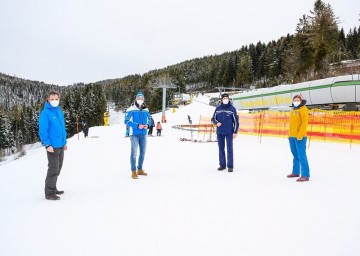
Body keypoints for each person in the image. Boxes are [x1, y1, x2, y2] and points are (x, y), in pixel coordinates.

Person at [38, 91, 67, 200]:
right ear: (48, 100)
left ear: (59, 99)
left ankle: (53, 188)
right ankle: (49, 193)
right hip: (52, 147)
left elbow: (62, 128)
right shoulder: (45, 113)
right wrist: (47, 144)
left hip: (60, 145)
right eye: (52, 99)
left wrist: (64, 142)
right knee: (53, 169)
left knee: (58, 167)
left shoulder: (59, 111)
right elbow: (43, 130)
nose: (54, 101)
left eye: (56, 99)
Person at [124, 92, 151, 179]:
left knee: (142, 153)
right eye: (138, 98)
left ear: (143, 100)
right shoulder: (130, 109)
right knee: (134, 153)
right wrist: (137, 125)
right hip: (134, 135)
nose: (140, 100)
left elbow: (150, 120)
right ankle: (133, 171)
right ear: (135, 99)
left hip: (143, 135)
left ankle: (140, 169)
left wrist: (148, 125)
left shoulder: (146, 110)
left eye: (142, 98)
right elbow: (126, 121)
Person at [211, 93, 239, 172]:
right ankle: (222, 165)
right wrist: (216, 123)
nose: (226, 99)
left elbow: (236, 122)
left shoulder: (232, 109)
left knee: (229, 149)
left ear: (228, 99)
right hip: (219, 132)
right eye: (224, 98)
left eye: (227, 98)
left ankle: (230, 166)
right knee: (221, 149)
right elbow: (213, 118)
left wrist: (235, 132)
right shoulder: (218, 108)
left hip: (229, 132)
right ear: (222, 99)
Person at [287, 95, 310, 182]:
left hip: (300, 137)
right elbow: (291, 124)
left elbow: (304, 123)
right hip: (292, 136)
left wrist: (300, 135)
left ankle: (305, 174)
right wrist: (289, 135)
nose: (296, 101)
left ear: (301, 101)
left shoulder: (303, 109)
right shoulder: (293, 110)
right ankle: (295, 172)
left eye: (297, 100)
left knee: (301, 155)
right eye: (294, 100)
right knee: (295, 155)